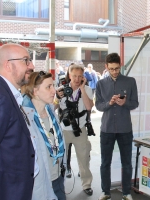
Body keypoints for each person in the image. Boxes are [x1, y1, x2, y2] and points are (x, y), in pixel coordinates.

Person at [0, 43, 36, 200]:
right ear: (8, 65)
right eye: (26, 60)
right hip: (5, 191)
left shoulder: (7, 93)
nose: (31, 65)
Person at [95, 53, 139, 200]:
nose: (115, 71)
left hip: (125, 128)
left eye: (117, 68)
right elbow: (98, 106)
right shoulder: (101, 84)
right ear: (106, 67)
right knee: (105, 162)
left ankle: (126, 192)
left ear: (120, 66)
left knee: (126, 162)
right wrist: (110, 103)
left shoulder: (130, 81)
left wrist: (124, 103)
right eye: (112, 69)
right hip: (106, 129)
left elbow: (135, 103)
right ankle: (105, 191)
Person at [22, 71, 67, 200]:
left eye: (53, 85)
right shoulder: (25, 118)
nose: (54, 90)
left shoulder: (50, 110)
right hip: (40, 181)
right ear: (35, 91)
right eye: (48, 87)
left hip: (58, 176)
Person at [55, 63, 94, 196]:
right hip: (64, 130)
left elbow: (89, 107)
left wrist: (82, 89)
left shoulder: (87, 89)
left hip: (80, 129)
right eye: (74, 76)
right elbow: (53, 107)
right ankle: (60, 185)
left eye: (80, 76)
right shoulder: (61, 89)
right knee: (61, 160)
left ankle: (86, 184)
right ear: (69, 75)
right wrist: (56, 97)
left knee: (84, 159)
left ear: (83, 77)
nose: (77, 79)